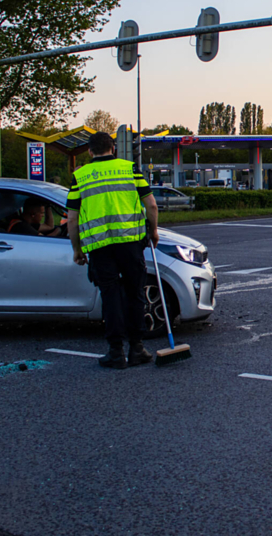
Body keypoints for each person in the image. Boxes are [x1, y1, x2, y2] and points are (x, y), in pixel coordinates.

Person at [67, 132, 160, 369]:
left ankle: (116, 352)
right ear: (113, 148)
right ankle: (137, 348)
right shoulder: (129, 169)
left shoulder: (80, 176)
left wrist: (77, 249)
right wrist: (154, 231)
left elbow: (72, 218)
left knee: (110, 296)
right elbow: (151, 204)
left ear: (89, 151)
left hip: (100, 247)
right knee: (135, 293)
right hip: (130, 244)